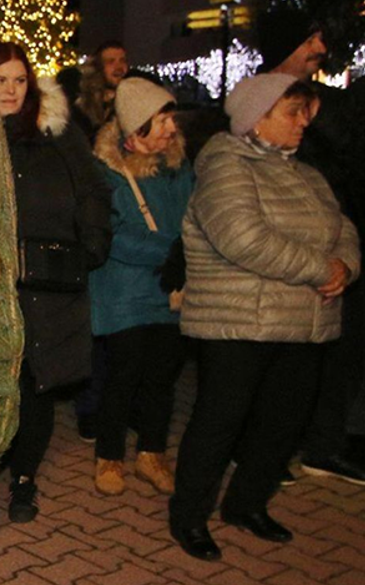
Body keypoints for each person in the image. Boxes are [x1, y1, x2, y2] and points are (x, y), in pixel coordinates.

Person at [169, 74, 360, 561]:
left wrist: (346, 267)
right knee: (219, 424)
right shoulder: (225, 164)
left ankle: (246, 504)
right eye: (292, 112)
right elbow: (242, 238)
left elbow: (344, 230)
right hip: (238, 323)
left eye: (304, 113)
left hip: (302, 322)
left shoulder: (307, 173)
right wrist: (321, 267)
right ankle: (189, 516)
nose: (302, 123)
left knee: (282, 424)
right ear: (258, 118)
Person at [0, 42, 111, 523]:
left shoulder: (57, 132)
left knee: (37, 383)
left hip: (49, 280)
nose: (10, 90)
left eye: (19, 80)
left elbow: (92, 187)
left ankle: (25, 479)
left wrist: (92, 242)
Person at [259, 6, 365, 486]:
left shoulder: (321, 101)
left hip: (330, 240)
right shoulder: (258, 99)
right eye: (310, 42)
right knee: (272, 360)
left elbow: (343, 172)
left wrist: (343, 258)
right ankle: (260, 448)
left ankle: (322, 445)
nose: (319, 51)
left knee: (331, 355)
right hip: (283, 248)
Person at [88, 77, 194, 497]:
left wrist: (187, 253)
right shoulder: (105, 172)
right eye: (161, 121)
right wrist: (170, 251)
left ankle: (152, 455)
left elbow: (195, 216)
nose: (171, 128)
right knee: (124, 375)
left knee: (162, 377)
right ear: (135, 131)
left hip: (171, 291)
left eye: (170, 118)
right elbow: (110, 234)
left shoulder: (178, 168)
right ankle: (109, 456)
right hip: (124, 293)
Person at [76, 41, 129, 142]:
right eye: (111, 62)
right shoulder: (84, 106)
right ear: (99, 67)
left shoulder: (133, 102)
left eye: (122, 61)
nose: (119, 67)